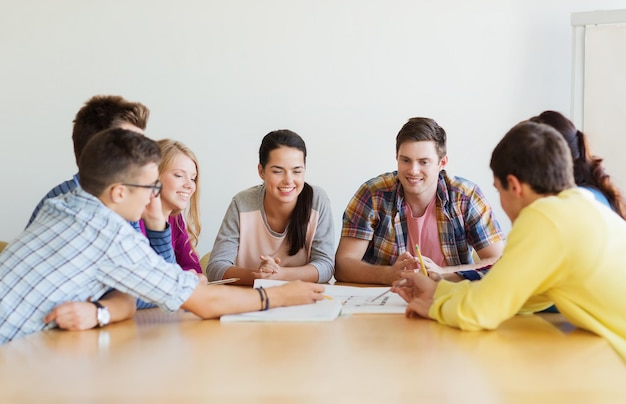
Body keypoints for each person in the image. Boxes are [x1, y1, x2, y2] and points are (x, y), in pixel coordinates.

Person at [0, 129, 325, 344]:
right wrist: (280, 295)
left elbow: (145, 289)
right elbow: (203, 301)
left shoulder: (64, 204)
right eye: (149, 187)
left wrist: (156, 222)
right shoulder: (112, 236)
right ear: (118, 192)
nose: (153, 196)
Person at [392, 120, 626, 362]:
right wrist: (439, 291)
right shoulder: (581, 205)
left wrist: (431, 308)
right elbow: (521, 299)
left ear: (514, 186)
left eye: (498, 190)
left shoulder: (544, 219)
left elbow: (479, 313)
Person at [25, 95, 176, 311]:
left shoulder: (121, 202)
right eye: (130, 144)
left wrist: (157, 224)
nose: (142, 151)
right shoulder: (75, 206)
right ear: (100, 149)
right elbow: (155, 291)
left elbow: (155, 281)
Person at [334, 117, 505, 285]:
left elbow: (499, 261)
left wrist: (443, 272)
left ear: (442, 162)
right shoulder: (373, 193)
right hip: (387, 297)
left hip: (446, 295)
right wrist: (388, 275)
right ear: (397, 158)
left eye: (424, 162)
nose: (413, 171)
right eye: (405, 160)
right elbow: (343, 265)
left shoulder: (466, 196)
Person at [206, 129, 335, 286]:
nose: (288, 180)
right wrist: (258, 276)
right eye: (278, 171)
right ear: (261, 171)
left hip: (301, 299)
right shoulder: (242, 203)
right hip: (251, 299)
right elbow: (215, 268)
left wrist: (279, 275)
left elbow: (326, 266)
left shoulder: (317, 200)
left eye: (297, 171)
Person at [139, 139, 203, 274]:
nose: (190, 185)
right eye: (179, 175)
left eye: (193, 178)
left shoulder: (176, 218)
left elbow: (193, 267)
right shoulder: (135, 219)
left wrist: (190, 275)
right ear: (154, 176)